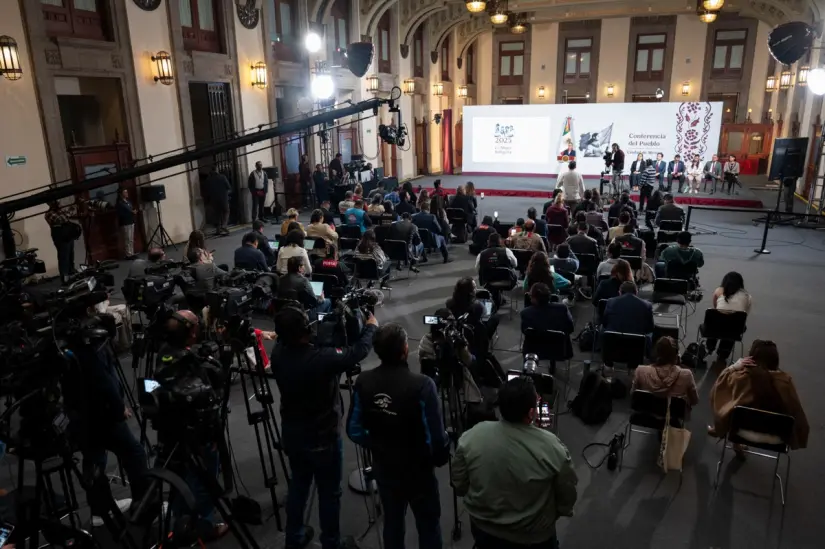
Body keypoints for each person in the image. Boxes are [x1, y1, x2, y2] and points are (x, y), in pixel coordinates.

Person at [271, 305, 377, 549]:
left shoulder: (278, 354)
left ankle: (294, 537)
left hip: (292, 432)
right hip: (323, 437)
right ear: (305, 330)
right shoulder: (320, 359)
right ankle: (331, 542)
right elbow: (357, 351)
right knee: (330, 493)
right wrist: (371, 326)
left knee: (299, 485)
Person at [347, 324, 449, 549]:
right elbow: (437, 441)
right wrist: (439, 455)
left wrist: (379, 444)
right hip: (419, 472)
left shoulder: (363, 381)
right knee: (429, 525)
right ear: (405, 349)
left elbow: (353, 430)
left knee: (392, 524)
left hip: (385, 469)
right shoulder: (423, 385)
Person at [452, 376, 577, 549]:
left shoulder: (471, 437)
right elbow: (566, 500)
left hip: (483, 531)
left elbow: (459, 484)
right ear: (531, 413)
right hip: (534, 539)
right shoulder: (554, 449)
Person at [710, 340, 809, 452]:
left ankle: (732, 441)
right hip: (776, 438)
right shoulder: (785, 382)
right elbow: (796, 410)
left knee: (735, 407)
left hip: (740, 432)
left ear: (752, 357)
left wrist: (732, 368)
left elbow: (717, 389)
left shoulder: (739, 378)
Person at [703, 271, 752, 368]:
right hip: (734, 329)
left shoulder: (719, 291)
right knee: (735, 325)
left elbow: (715, 307)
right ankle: (723, 353)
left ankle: (710, 347)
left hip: (714, 328)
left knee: (714, 321)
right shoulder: (747, 296)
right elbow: (745, 313)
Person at [633, 336, 699, 408]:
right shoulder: (687, 375)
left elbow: (633, 395)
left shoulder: (640, 371)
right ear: (676, 355)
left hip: (646, 417)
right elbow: (694, 401)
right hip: (672, 417)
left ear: (657, 353)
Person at [602, 281, 654, 368]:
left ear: (620, 292)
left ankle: (607, 365)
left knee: (603, 330)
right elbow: (650, 328)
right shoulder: (647, 305)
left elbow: (605, 322)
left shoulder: (610, 302)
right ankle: (647, 356)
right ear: (636, 292)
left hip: (613, 348)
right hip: (636, 351)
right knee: (649, 335)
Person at [520, 283, 575, 364]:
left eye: (531, 296)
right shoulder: (562, 309)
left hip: (534, 350)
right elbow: (570, 328)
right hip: (560, 350)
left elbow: (524, 331)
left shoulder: (525, 313)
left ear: (534, 298)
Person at [45, 200, 80, 284]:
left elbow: (68, 214)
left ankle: (71, 273)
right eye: (56, 202)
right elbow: (61, 219)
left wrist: (73, 207)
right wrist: (69, 211)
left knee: (70, 255)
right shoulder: (49, 214)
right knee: (63, 257)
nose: (58, 203)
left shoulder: (60, 211)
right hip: (60, 237)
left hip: (67, 235)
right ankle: (65, 277)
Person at [206, 166, 232, 235]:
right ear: (217, 170)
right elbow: (228, 187)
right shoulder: (222, 177)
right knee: (226, 211)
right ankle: (224, 225)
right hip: (223, 198)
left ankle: (218, 230)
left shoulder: (209, 179)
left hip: (214, 199)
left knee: (217, 214)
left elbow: (207, 190)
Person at [115, 188, 138, 259]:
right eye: (125, 192)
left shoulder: (128, 201)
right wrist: (131, 212)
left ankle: (132, 252)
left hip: (131, 221)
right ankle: (128, 254)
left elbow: (131, 209)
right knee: (127, 239)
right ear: (121, 194)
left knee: (131, 239)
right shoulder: (119, 203)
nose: (127, 193)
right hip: (125, 223)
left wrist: (133, 211)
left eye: (127, 192)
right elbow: (121, 214)